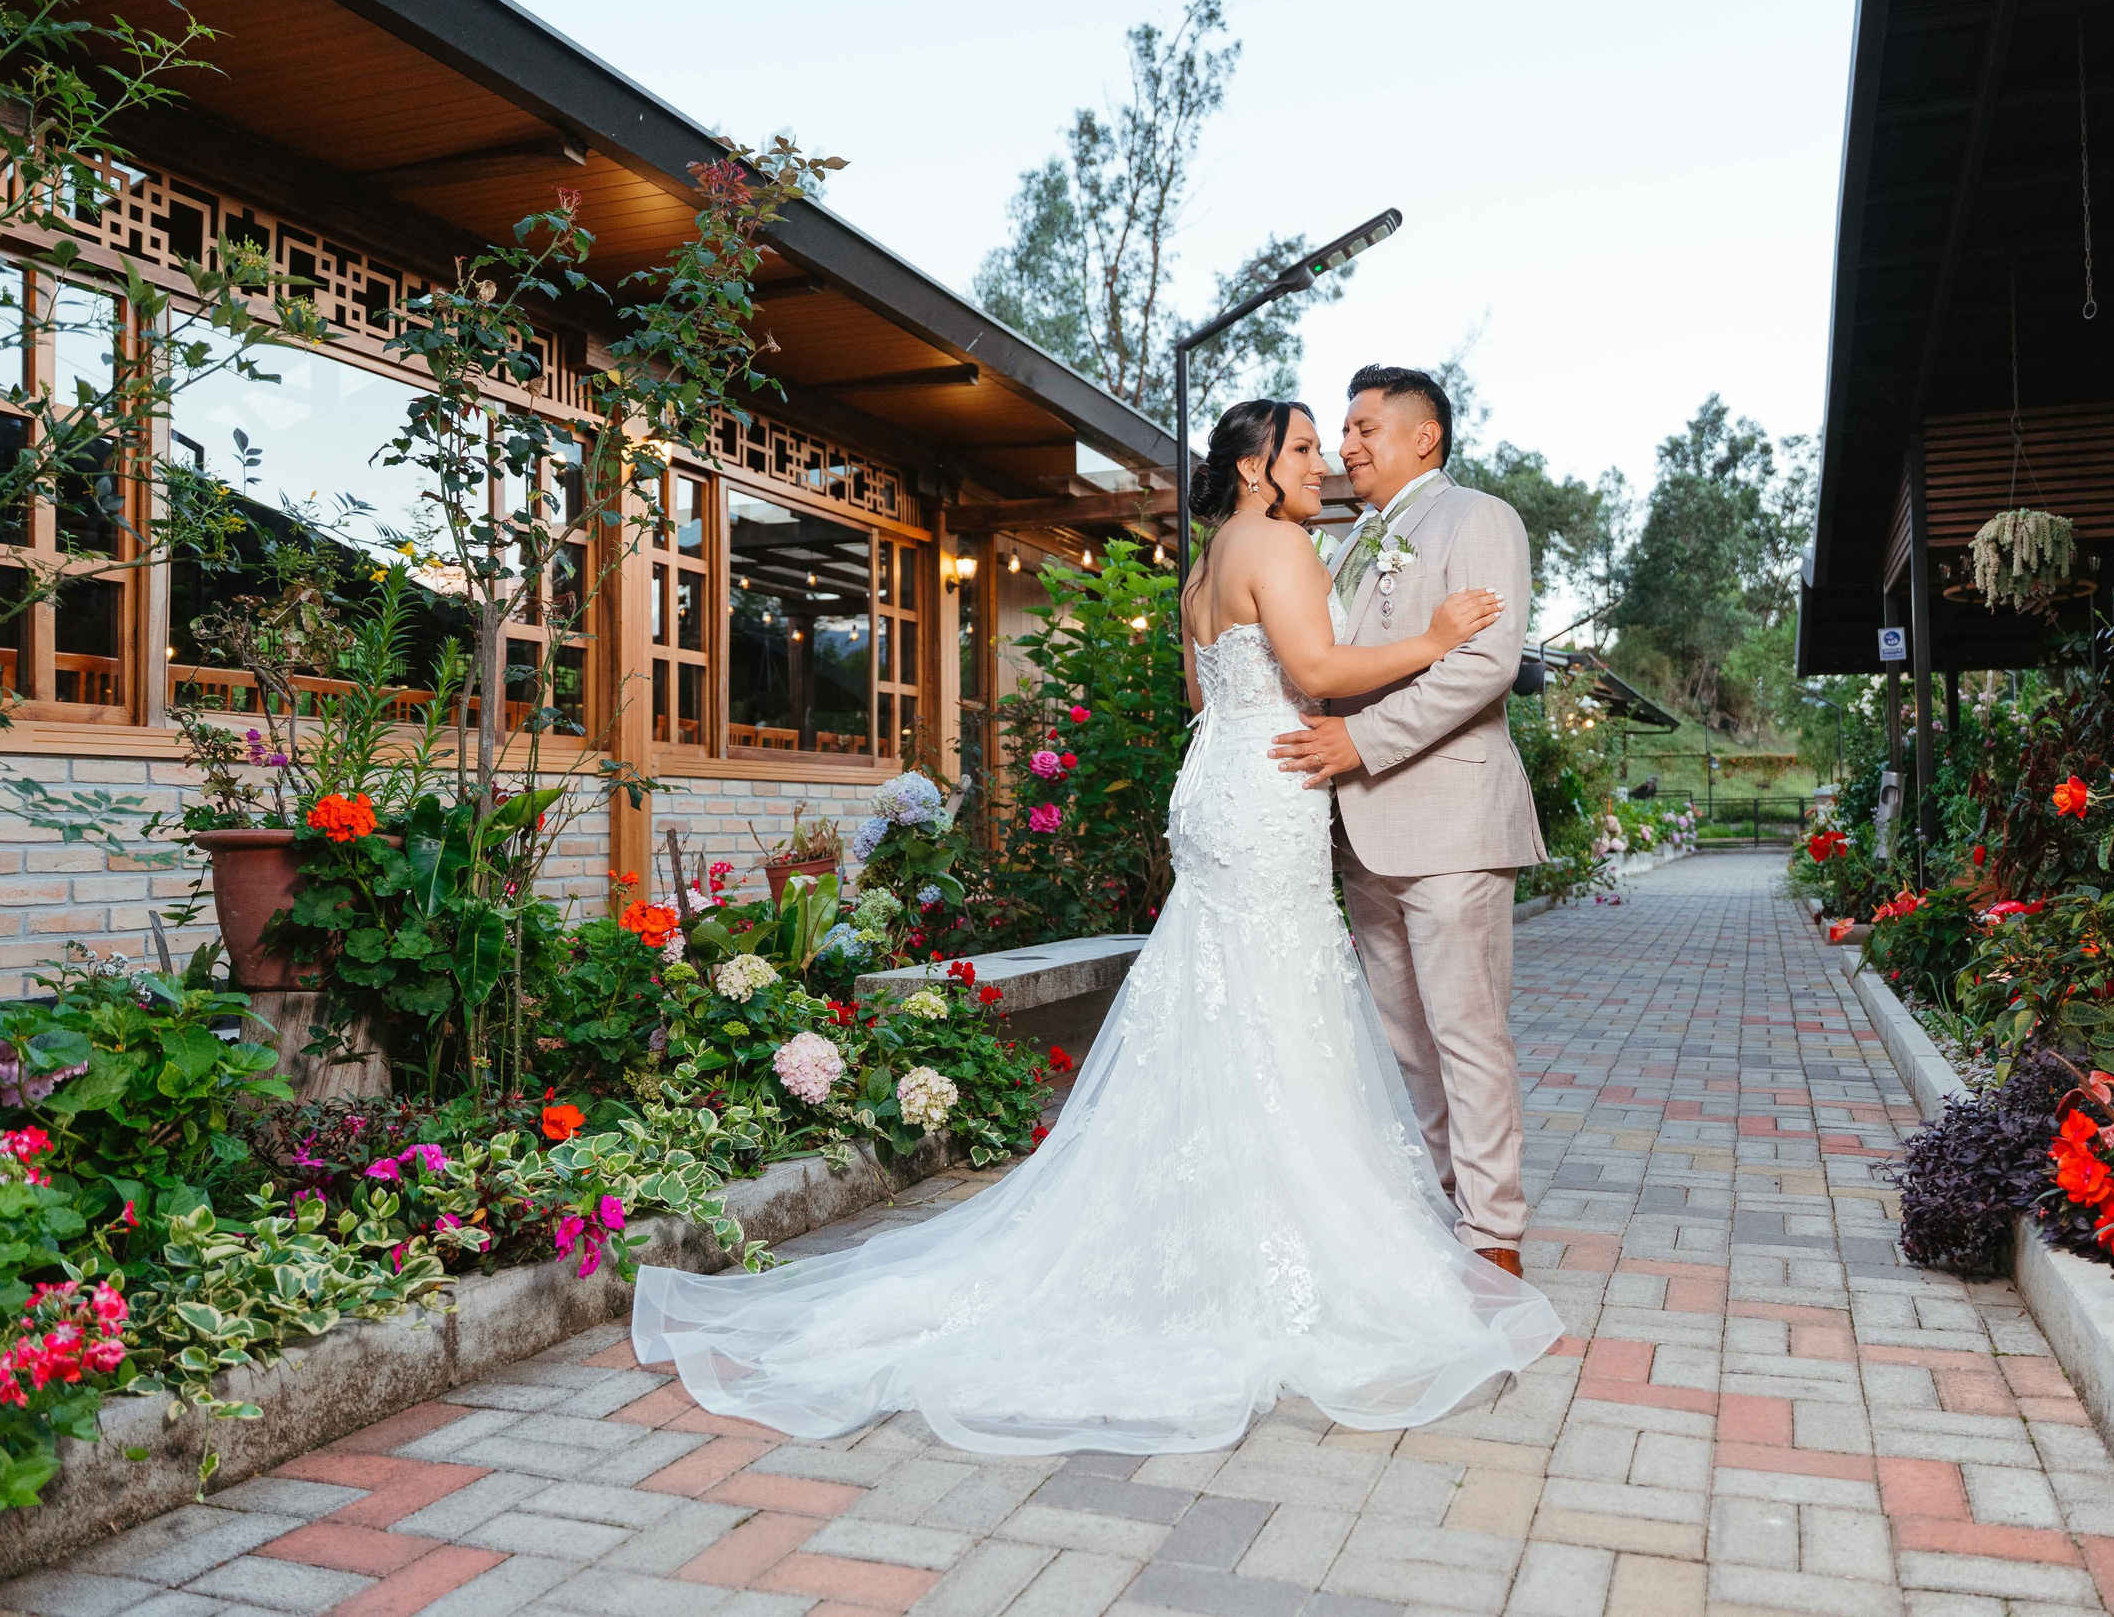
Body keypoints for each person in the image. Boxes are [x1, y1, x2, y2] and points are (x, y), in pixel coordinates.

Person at [629, 397, 1561, 1455]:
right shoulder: (1283, 545)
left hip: (1223, 783)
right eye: (1305, 445)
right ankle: (1296, 1238)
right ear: (1255, 467)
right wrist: (1434, 634)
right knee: (1277, 1003)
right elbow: (1320, 675)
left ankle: (1265, 1225)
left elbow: (1207, 698)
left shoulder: (1210, 563)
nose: (1324, 460)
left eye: (1333, 439)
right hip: (1272, 793)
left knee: (1231, 1000)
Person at [1271, 365, 1547, 1275]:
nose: (1345, 448)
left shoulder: (1479, 518)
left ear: (1423, 436)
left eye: (1362, 428)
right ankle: (1450, 1204)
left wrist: (1361, 743)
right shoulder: (1349, 543)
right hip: (1361, 828)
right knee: (1405, 1039)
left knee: (1467, 1031)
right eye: (1341, 433)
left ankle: (1494, 1234)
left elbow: (1484, 665)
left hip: (1452, 817)